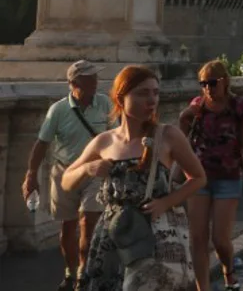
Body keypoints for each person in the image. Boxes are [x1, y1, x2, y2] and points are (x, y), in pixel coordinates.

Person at [64, 65, 206, 290]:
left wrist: (166, 203)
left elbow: (198, 177)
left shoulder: (168, 135)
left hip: (157, 234)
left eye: (155, 93)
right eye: (143, 93)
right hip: (114, 235)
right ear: (121, 97)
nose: (152, 100)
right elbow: (67, 180)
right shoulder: (105, 141)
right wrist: (87, 169)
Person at [22, 60, 113, 291]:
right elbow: (42, 144)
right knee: (68, 225)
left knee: (88, 220)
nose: (95, 81)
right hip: (65, 172)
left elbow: (118, 135)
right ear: (74, 83)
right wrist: (31, 175)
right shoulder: (59, 110)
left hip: (95, 172)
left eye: (95, 77)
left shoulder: (104, 103)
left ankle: (84, 272)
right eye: (90, 77)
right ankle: (70, 272)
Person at [178, 60, 243, 291]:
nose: (207, 88)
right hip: (199, 177)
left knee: (220, 240)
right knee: (197, 239)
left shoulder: (238, 107)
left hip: (229, 177)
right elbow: (180, 138)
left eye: (212, 83)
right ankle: (204, 287)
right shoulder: (198, 106)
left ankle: (228, 270)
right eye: (203, 83)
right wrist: (184, 116)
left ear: (224, 81)